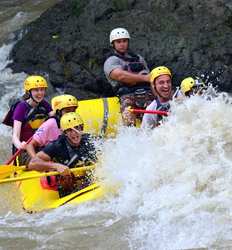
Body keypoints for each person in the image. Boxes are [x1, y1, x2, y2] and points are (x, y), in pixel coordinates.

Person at [28, 112, 97, 196]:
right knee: (66, 178)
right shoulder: (57, 146)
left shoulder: (91, 140)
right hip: (68, 188)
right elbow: (32, 164)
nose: (74, 133)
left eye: (76, 128)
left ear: (81, 128)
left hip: (88, 182)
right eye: (69, 130)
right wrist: (56, 166)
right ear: (65, 133)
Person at [104, 27, 154, 126]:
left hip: (147, 93)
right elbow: (120, 76)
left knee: (155, 109)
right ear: (113, 44)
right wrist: (143, 78)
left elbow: (150, 77)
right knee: (128, 113)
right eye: (118, 42)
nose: (122, 44)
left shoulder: (138, 58)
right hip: (127, 95)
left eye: (124, 41)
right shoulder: (111, 61)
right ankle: (130, 131)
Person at [2, 75, 53, 165]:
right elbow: (15, 136)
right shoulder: (21, 108)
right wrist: (20, 145)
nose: (40, 93)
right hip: (25, 151)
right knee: (43, 160)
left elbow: (55, 120)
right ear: (29, 92)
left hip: (42, 147)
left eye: (42, 90)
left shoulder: (44, 104)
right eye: (36, 90)